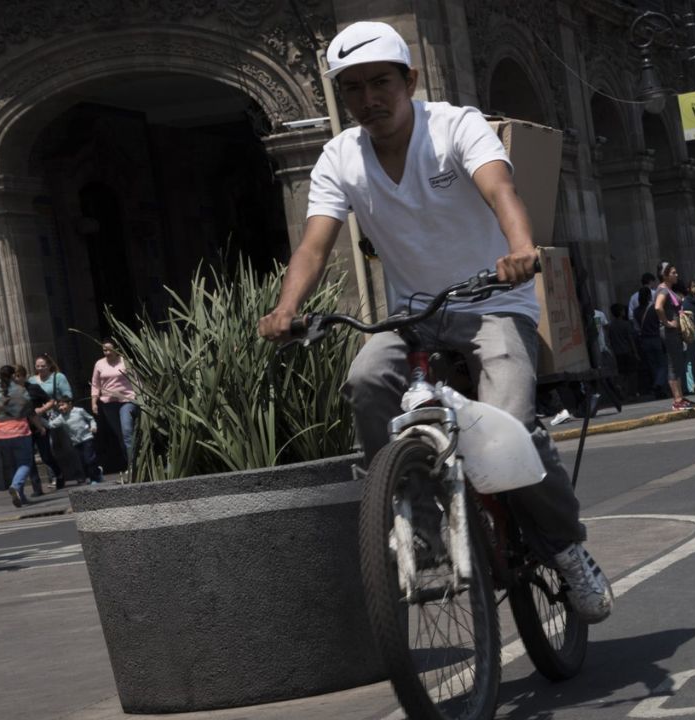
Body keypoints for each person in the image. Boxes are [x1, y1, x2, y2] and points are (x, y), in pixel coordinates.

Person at [255, 21, 610, 623]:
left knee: (508, 427)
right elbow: (314, 246)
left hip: (494, 303)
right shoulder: (340, 156)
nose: (367, 99)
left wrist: (520, 249)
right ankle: (419, 528)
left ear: (409, 80)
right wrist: (287, 309)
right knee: (367, 379)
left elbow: (501, 190)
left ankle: (567, 550)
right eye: (353, 89)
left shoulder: (455, 125)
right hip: (414, 315)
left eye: (379, 83)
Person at [653, 262, 695, 412]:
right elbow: (658, 307)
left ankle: (680, 396)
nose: (676, 275)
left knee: (678, 363)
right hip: (670, 332)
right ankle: (677, 400)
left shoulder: (668, 289)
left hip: (675, 332)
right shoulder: (663, 290)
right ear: (665, 275)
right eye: (673, 273)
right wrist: (667, 322)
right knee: (673, 364)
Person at [91, 339, 138, 478]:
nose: (107, 353)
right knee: (120, 435)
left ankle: (134, 467)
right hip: (108, 402)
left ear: (116, 349)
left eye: (109, 350)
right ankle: (130, 463)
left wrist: (141, 396)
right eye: (104, 350)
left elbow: (136, 378)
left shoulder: (126, 362)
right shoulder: (99, 364)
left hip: (126, 400)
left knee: (127, 431)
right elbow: (95, 384)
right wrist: (94, 402)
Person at [0, 365, 35, 507]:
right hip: (19, 431)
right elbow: (30, 411)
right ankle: (15, 486)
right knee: (25, 462)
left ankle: (20, 496)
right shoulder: (20, 390)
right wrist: (40, 427)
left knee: (13, 465)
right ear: (12, 375)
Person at [28, 353, 72, 488]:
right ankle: (55, 477)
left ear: (49, 366)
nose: (40, 369)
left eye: (43, 366)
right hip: (41, 418)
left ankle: (77, 473)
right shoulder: (31, 381)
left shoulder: (58, 377)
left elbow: (68, 395)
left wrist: (58, 404)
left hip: (58, 415)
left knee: (66, 445)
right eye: (38, 366)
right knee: (48, 448)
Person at [46, 396, 103, 485]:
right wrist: (38, 418)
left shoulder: (79, 411)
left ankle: (94, 478)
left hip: (87, 438)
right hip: (76, 442)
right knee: (83, 461)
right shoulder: (61, 418)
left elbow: (90, 419)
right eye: (59, 406)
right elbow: (50, 425)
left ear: (70, 404)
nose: (61, 408)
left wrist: (93, 426)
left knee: (89, 459)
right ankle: (98, 472)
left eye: (63, 405)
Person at [606, 303, 639, 399]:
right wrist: (635, 352)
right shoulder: (626, 324)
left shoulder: (611, 326)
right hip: (627, 351)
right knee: (632, 373)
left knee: (622, 373)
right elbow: (630, 339)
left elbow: (610, 340)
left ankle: (622, 388)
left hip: (618, 352)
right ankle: (632, 392)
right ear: (621, 312)